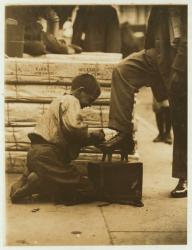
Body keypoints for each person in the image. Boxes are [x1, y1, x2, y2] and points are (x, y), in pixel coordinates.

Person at [99, 6, 187, 198]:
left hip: (185, 58)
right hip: (160, 53)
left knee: (181, 120)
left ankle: (184, 176)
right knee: (123, 71)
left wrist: (179, 72)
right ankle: (122, 132)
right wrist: (149, 52)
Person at [10, 74, 105, 204]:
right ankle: (33, 185)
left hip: (35, 153)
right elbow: (74, 128)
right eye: (90, 99)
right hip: (48, 155)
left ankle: (32, 180)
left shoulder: (58, 100)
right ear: (80, 90)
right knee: (85, 185)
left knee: (52, 175)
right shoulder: (72, 101)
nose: (89, 105)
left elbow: (66, 136)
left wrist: (88, 139)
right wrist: (92, 136)